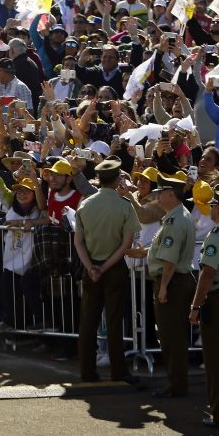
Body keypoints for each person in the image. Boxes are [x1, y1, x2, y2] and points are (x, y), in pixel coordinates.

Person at [74, 157, 141, 383]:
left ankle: (86, 370)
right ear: (116, 179)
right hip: (113, 268)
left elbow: (78, 243)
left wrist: (91, 267)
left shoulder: (85, 205)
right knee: (113, 321)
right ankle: (118, 371)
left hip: (91, 266)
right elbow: (125, 245)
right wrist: (103, 267)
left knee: (88, 320)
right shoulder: (124, 206)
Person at [147, 173, 196, 398]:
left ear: (170, 194)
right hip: (176, 280)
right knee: (173, 336)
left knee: (171, 337)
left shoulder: (176, 220)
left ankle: (176, 385)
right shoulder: (176, 216)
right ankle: (176, 383)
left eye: (160, 193)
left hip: (173, 282)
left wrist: (164, 286)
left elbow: (169, 259)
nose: (157, 196)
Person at [190, 185, 219, 429]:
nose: (211, 209)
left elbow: (208, 273)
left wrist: (195, 305)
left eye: (213, 205)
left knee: (216, 359)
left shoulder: (217, 234)